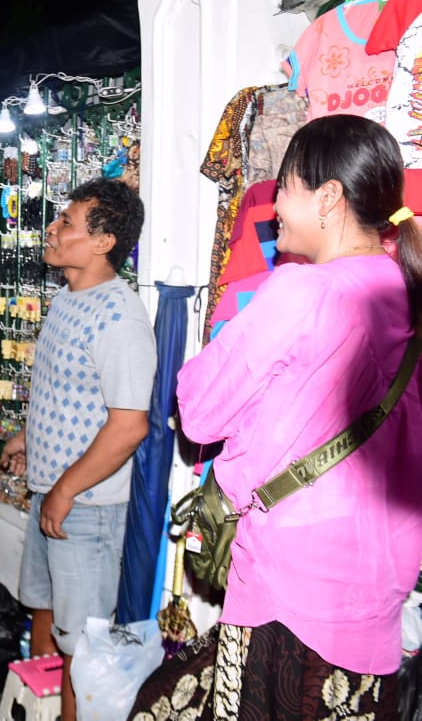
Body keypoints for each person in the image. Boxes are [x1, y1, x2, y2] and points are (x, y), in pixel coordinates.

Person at [131, 115, 422, 719]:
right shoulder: (408, 295)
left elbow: (201, 411)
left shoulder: (302, 291)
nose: (272, 208)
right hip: (379, 606)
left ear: (329, 198)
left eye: (285, 186)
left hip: (287, 601)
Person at [0, 178, 155, 721]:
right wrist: (27, 437)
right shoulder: (69, 298)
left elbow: (130, 424)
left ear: (103, 242)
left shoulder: (121, 316)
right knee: (44, 612)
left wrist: (65, 488)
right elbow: (63, 388)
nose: (53, 228)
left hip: (87, 508)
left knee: (82, 646)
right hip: (54, 493)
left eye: (66, 222)